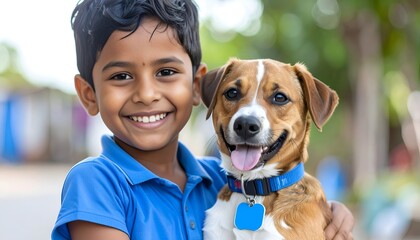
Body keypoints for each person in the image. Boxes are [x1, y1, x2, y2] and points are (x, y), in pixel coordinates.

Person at [52, 0, 354, 239]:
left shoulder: (217, 177)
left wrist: (331, 214)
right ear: (89, 94)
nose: (146, 94)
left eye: (166, 72)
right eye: (121, 76)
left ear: (196, 86)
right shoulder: (97, 182)